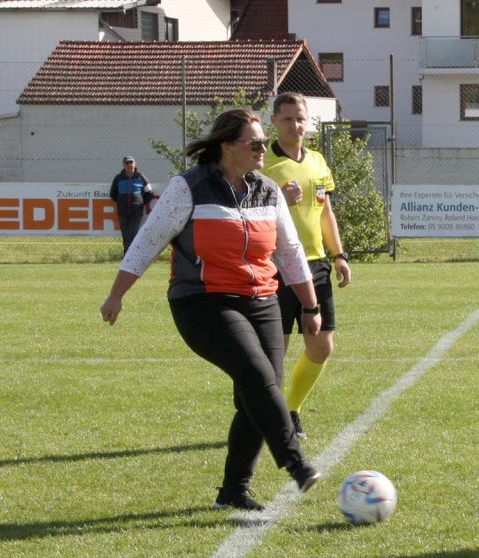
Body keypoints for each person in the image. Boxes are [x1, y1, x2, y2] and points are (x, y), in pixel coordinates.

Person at [100, 109, 322, 511]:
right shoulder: (189, 188)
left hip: (262, 300)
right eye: (253, 143)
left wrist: (310, 305)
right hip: (202, 301)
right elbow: (148, 241)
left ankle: (233, 491)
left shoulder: (268, 190)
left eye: (261, 142)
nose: (261, 149)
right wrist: (116, 294)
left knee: (257, 392)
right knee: (258, 378)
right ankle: (295, 462)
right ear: (227, 147)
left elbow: (289, 253)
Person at [262, 92, 351, 440]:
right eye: (287, 119)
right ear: (274, 122)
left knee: (321, 345)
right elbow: (245, 213)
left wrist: (339, 254)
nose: (295, 125)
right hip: (275, 264)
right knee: (276, 349)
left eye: (300, 119)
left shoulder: (316, 161)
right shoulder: (262, 164)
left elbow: (325, 211)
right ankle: (267, 416)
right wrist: (278, 201)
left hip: (315, 264)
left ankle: (292, 409)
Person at [109, 156, 154, 255]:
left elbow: (149, 192)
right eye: (127, 163)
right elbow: (112, 194)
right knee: (125, 236)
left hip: (136, 212)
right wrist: (121, 202)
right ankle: (127, 256)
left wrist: (140, 203)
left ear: (135, 164)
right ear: (123, 165)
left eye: (131, 163)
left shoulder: (141, 177)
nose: (129, 165)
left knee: (132, 235)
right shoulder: (118, 178)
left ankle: (130, 256)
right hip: (122, 212)